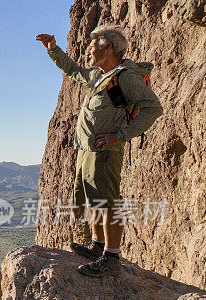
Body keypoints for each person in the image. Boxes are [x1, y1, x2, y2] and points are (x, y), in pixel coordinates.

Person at [36, 26, 163, 276]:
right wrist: (53, 49)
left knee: (107, 202)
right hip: (88, 148)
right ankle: (97, 244)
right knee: (94, 197)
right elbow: (73, 70)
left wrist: (120, 136)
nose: (88, 53)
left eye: (92, 48)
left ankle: (111, 257)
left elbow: (153, 108)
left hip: (106, 151)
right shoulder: (99, 75)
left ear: (109, 49)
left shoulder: (126, 77)